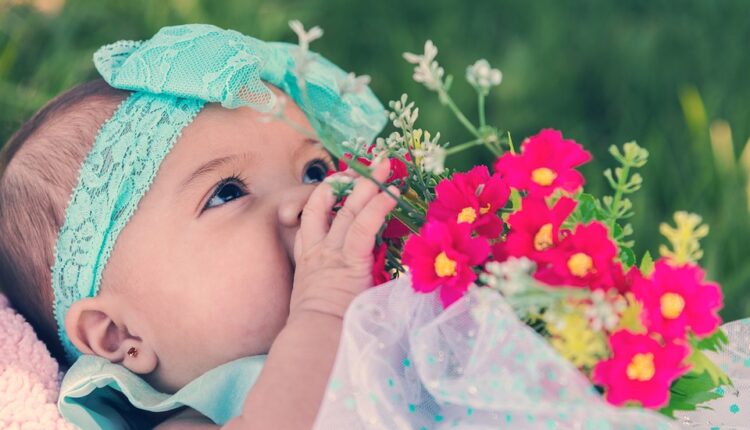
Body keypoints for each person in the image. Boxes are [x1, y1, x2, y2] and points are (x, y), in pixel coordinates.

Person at [0, 23, 398, 429]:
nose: (309, 200)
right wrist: (322, 312)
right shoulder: (192, 420)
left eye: (314, 170)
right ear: (120, 335)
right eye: (226, 193)